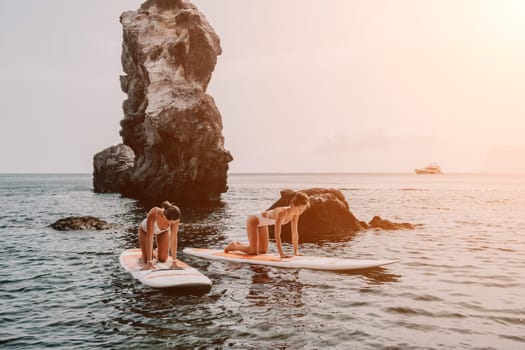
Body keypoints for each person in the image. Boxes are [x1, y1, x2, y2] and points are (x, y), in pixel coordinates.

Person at [224, 192, 309, 258]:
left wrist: (296, 252)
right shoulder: (281, 212)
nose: (300, 212)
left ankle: (239, 245)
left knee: (263, 251)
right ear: (293, 205)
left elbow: (295, 233)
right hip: (255, 219)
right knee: (253, 251)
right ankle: (232, 246)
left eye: (302, 210)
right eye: (300, 209)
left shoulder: (295, 214)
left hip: (263, 223)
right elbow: (277, 234)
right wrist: (281, 254)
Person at [138, 201, 181, 270]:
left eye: (175, 221)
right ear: (164, 216)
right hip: (145, 232)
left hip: (163, 232)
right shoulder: (154, 213)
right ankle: (144, 253)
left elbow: (173, 238)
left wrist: (174, 261)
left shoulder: (175, 217)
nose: (173, 223)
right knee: (147, 259)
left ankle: (156, 251)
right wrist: (149, 262)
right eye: (171, 222)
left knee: (163, 259)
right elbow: (150, 238)